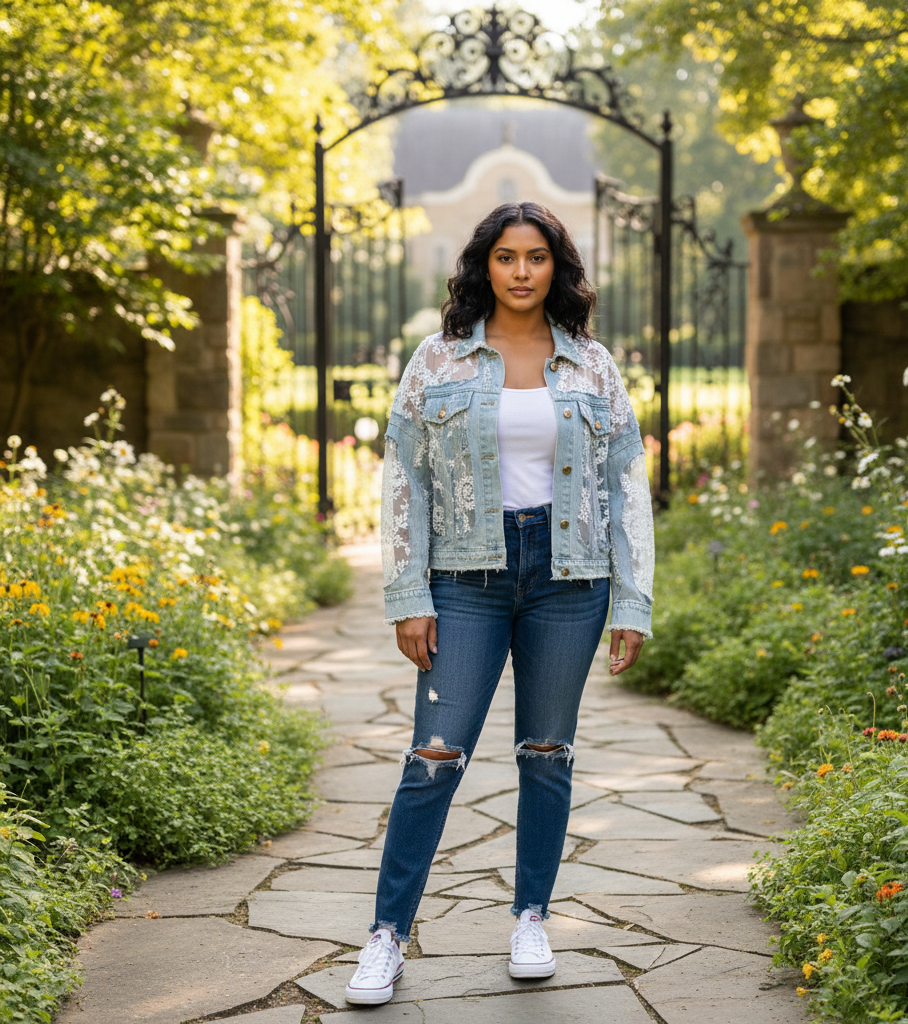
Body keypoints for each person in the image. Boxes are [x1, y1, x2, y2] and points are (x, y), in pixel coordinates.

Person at [344, 201, 655, 1006]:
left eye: (537, 257)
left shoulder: (590, 364)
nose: (522, 272)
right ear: (485, 265)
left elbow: (625, 482)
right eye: (507, 257)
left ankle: (531, 918)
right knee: (434, 756)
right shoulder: (437, 360)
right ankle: (386, 936)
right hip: (466, 581)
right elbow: (402, 477)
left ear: (558, 267)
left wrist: (633, 599)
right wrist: (409, 593)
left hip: (569, 581)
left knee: (547, 754)